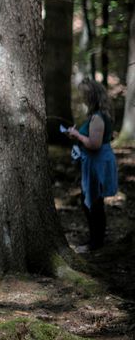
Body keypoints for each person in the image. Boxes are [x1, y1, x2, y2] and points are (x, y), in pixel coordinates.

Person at [67, 78, 118, 252]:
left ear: (92, 97)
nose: (82, 98)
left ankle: (95, 243)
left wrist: (77, 135)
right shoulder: (97, 116)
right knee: (92, 201)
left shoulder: (97, 118)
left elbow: (94, 144)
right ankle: (96, 240)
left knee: (93, 202)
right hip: (95, 162)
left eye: (84, 95)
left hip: (97, 163)